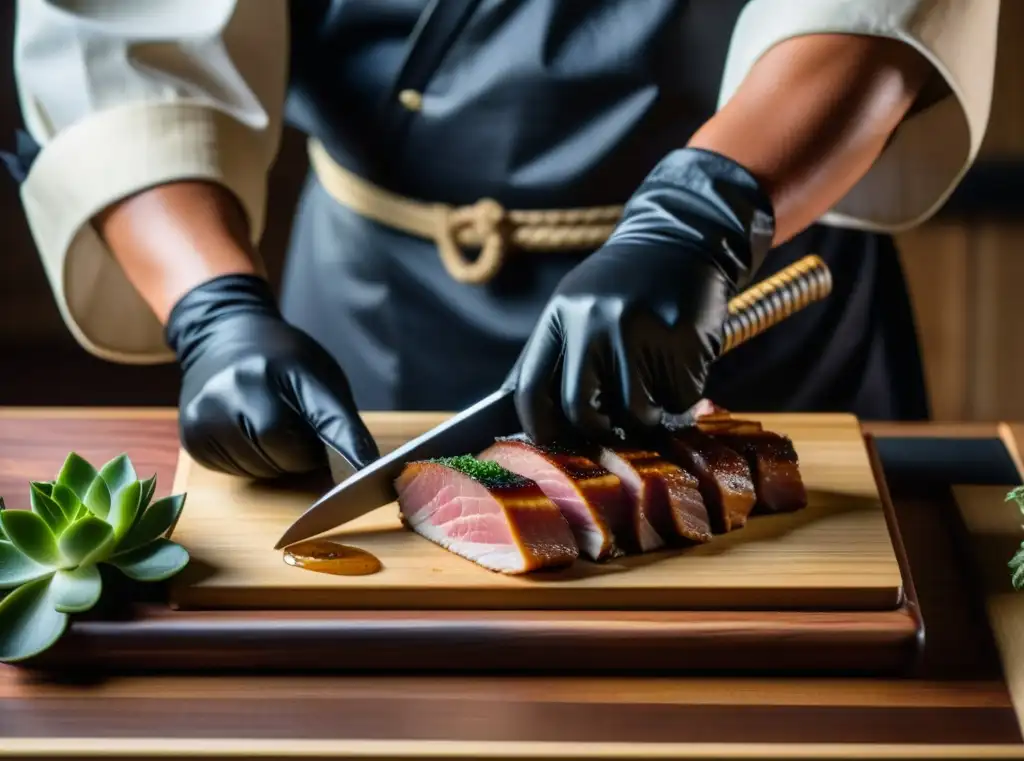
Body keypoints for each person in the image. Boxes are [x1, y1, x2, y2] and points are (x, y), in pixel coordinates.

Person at [7, 0, 999, 479]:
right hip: (365, 316)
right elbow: (126, 39)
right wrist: (212, 308)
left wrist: (702, 209)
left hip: (738, 284)